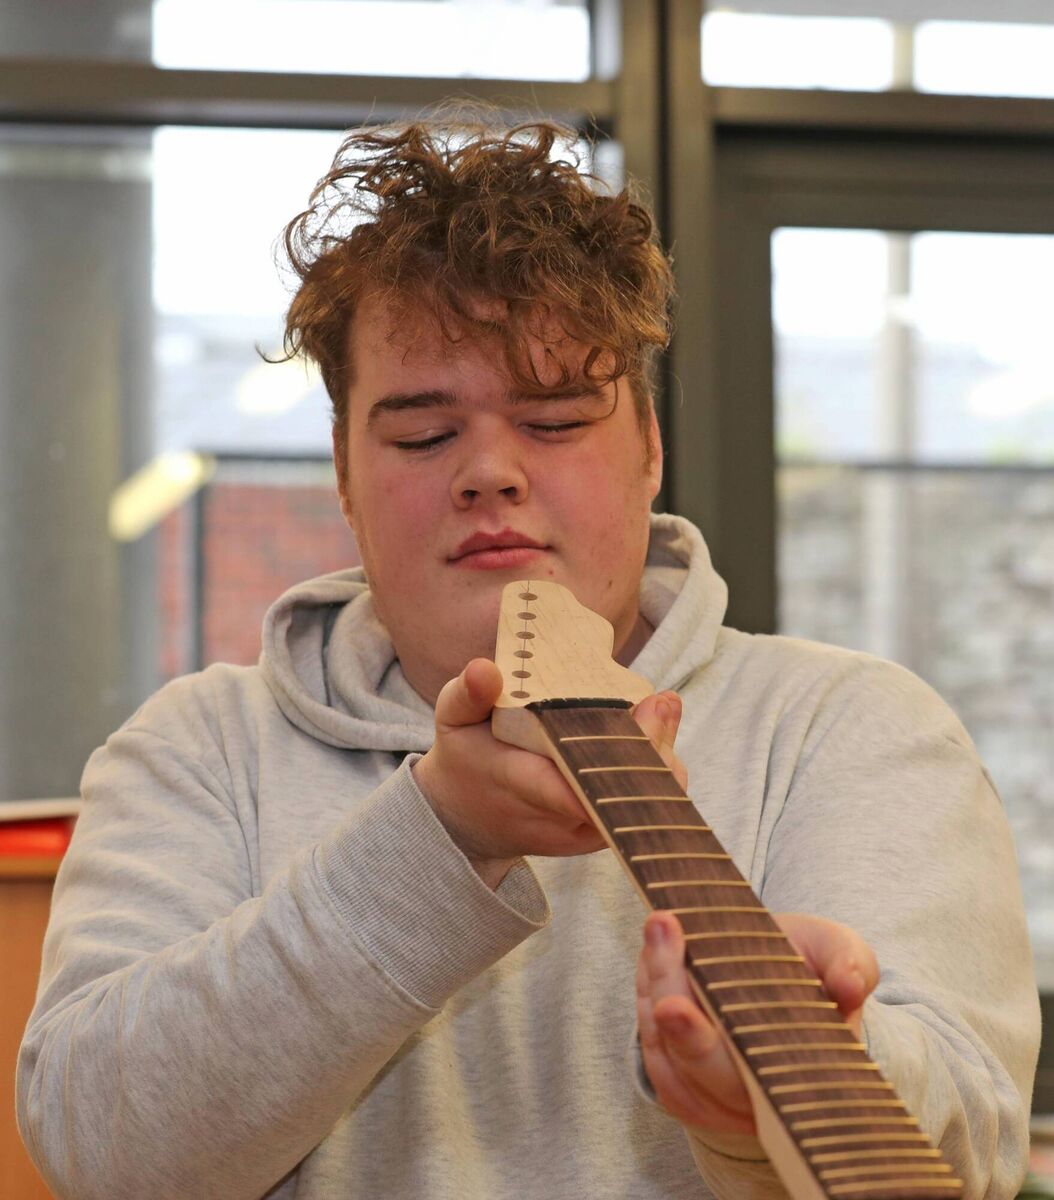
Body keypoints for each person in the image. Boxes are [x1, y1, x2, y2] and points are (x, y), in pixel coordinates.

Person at [17, 115, 1039, 1200]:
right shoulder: (200, 751)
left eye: (553, 420)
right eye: (423, 435)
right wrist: (436, 837)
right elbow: (99, 1150)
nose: (490, 472)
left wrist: (768, 1100)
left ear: (649, 450)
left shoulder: (851, 732)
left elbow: (968, 1153)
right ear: (345, 477)